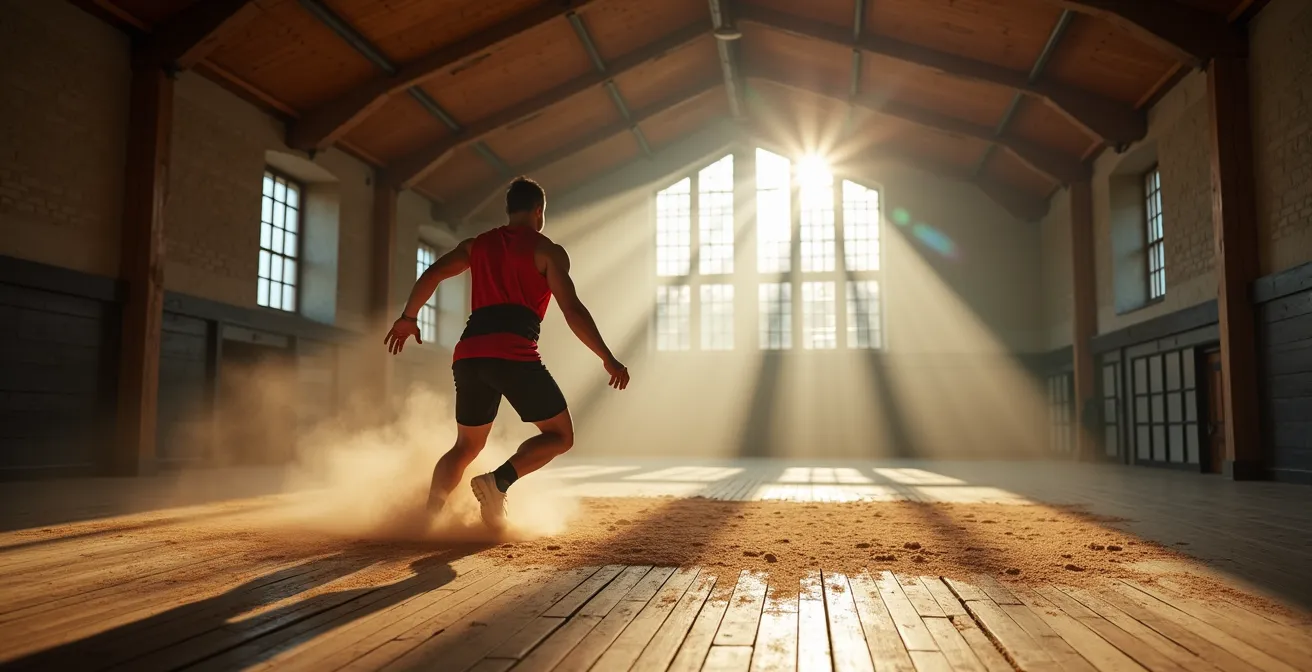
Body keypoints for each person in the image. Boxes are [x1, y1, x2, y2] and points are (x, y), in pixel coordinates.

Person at [383, 177, 629, 530]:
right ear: (538, 211)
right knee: (561, 436)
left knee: (464, 447)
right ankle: (498, 482)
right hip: (512, 349)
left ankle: (427, 521)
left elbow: (434, 273)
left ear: (509, 209)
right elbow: (572, 310)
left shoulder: (477, 245)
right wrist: (606, 356)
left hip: (468, 353)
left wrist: (408, 317)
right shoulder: (547, 251)